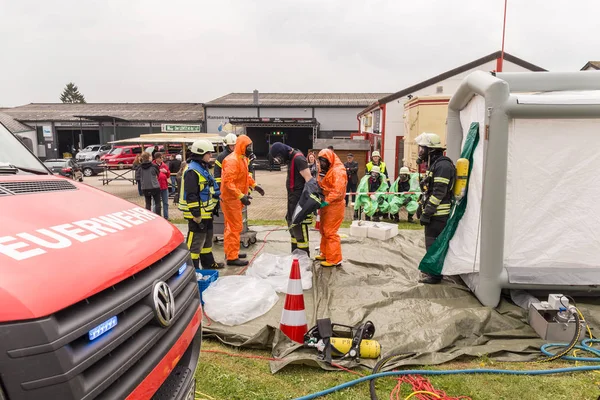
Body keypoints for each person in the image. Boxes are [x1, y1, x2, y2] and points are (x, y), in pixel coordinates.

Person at [415, 132, 455, 284]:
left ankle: (435, 275)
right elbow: (428, 190)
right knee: (430, 243)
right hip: (434, 213)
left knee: (434, 244)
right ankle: (432, 268)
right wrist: (421, 206)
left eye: (422, 148)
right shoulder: (436, 165)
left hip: (439, 214)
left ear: (430, 149)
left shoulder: (443, 166)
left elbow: (439, 192)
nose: (420, 152)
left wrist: (428, 212)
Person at [178, 139, 223, 270]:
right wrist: (196, 214)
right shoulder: (192, 171)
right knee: (195, 244)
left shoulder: (201, 168)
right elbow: (191, 195)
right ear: (200, 153)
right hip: (197, 214)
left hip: (206, 213)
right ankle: (193, 269)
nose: (211, 156)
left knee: (207, 241)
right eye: (208, 153)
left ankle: (208, 264)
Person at [221, 135, 265, 266]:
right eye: (248, 147)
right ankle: (232, 257)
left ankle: (231, 252)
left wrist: (254, 186)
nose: (250, 149)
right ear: (242, 146)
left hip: (236, 198)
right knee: (234, 227)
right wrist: (241, 196)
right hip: (231, 199)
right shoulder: (232, 161)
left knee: (232, 227)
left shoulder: (242, 159)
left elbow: (245, 177)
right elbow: (229, 183)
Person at [270, 143, 314, 256]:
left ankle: (304, 256)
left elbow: (309, 180)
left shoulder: (299, 158)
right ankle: (295, 255)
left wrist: (306, 203)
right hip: (292, 198)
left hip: (299, 200)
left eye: (279, 157)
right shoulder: (291, 158)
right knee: (291, 224)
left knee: (299, 226)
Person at [315, 149, 347, 267]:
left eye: (324, 161)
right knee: (323, 230)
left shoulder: (338, 171)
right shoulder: (325, 169)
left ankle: (335, 259)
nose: (321, 164)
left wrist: (326, 201)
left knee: (330, 232)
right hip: (327, 203)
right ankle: (325, 253)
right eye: (320, 161)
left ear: (329, 160)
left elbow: (338, 191)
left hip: (335, 205)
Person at [153, 152, 171, 220]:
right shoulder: (153, 165)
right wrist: (159, 171)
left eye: (162, 157)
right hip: (156, 187)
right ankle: (156, 216)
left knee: (165, 203)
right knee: (156, 203)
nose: (162, 159)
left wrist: (166, 172)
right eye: (160, 157)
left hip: (164, 186)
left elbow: (168, 174)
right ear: (157, 158)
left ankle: (166, 217)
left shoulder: (164, 165)